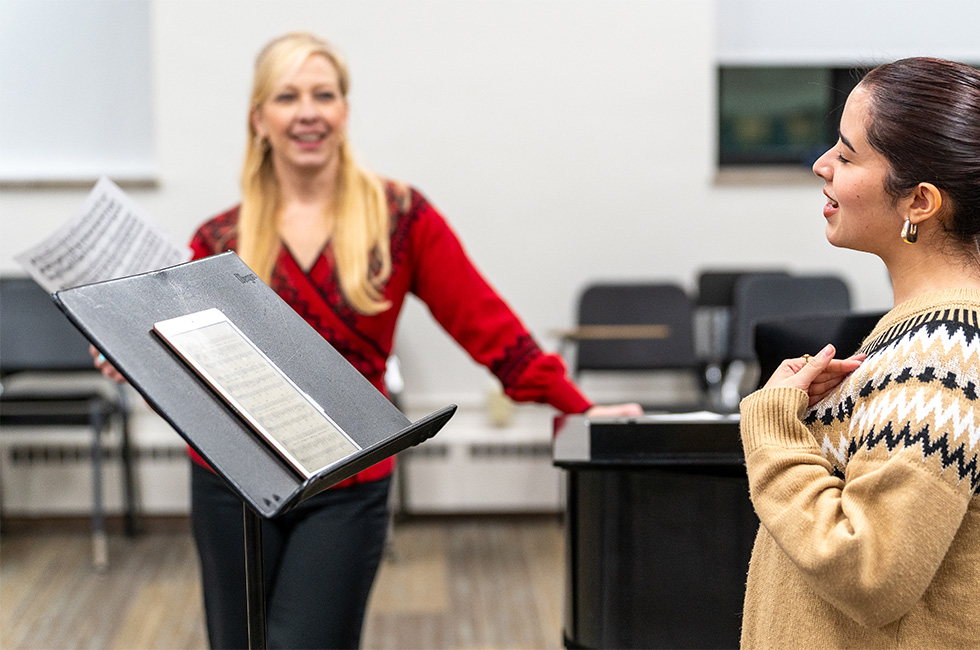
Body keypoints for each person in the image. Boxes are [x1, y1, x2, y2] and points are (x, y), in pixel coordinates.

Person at [96, 32, 640, 649]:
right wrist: (127, 355)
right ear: (259, 119)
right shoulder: (218, 237)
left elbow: (486, 325)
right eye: (287, 95)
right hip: (232, 484)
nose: (308, 111)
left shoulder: (403, 219)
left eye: (324, 95)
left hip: (345, 483)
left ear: (344, 112)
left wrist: (577, 407)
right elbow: (185, 360)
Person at [738, 57, 980, 649]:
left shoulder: (951, 353)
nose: (823, 165)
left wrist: (774, 428)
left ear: (919, 201)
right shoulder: (937, 337)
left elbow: (868, 570)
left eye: (846, 156)